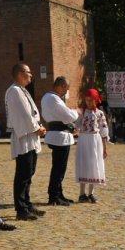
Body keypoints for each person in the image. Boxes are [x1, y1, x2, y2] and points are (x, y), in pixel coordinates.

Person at [4, 63, 46, 221]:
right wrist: (37, 128)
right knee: (23, 173)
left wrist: (38, 127)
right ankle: (21, 209)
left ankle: (27, 204)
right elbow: (24, 115)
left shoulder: (21, 90)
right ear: (20, 73)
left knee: (29, 172)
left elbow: (31, 113)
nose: (31, 75)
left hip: (30, 135)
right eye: (28, 72)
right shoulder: (14, 91)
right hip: (24, 137)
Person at [40, 76, 78, 206]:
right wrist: (75, 112)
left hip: (58, 135)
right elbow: (68, 116)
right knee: (59, 168)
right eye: (66, 89)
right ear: (62, 86)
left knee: (59, 168)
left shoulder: (49, 97)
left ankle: (58, 193)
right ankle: (54, 195)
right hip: (59, 136)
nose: (66, 91)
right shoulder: (53, 98)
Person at [75, 88, 109, 203]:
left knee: (94, 164)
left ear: (95, 100)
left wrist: (105, 148)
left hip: (95, 140)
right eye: (87, 100)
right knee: (84, 164)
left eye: (91, 100)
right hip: (84, 140)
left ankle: (91, 193)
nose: (88, 102)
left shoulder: (100, 113)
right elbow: (76, 125)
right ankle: (82, 194)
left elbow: (104, 131)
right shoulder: (82, 112)